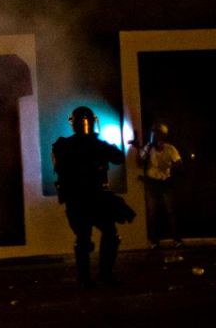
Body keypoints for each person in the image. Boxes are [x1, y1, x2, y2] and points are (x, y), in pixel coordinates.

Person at [52, 106, 127, 287]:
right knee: (106, 235)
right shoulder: (96, 145)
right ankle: (103, 275)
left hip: (79, 200)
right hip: (92, 198)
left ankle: (88, 278)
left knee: (86, 239)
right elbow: (118, 157)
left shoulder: (63, 145)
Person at [131, 123, 184, 248]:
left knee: (170, 211)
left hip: (165, 182)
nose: (154, 137)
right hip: (152, 183)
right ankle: (154, 241)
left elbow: (179, 162)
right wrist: (138, 149)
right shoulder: (149, 148)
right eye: (153, 134)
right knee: (152, 212)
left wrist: (168, 166)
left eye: (157, 134)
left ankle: (176, 239)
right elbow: (140, 162)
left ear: (162, 136)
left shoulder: (170, 148)